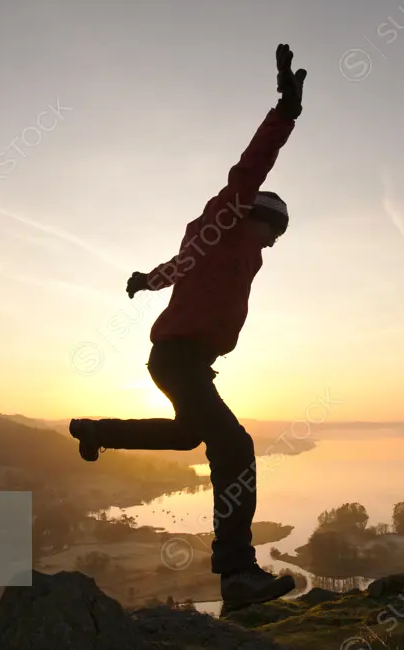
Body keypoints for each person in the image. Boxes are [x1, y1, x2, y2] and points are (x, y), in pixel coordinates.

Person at [70, 43, 306, 615]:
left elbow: (181, 267)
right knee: (235, 446)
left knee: (186, 437)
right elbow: (249, 167)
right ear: (260, 215)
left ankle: (94, 430)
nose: (273, 244)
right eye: (274, 232)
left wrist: (146, 281)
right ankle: (238, 573)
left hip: (186, 359)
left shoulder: (219, 244)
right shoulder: (228, 220)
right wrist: (285, 114)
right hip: (177, 355)